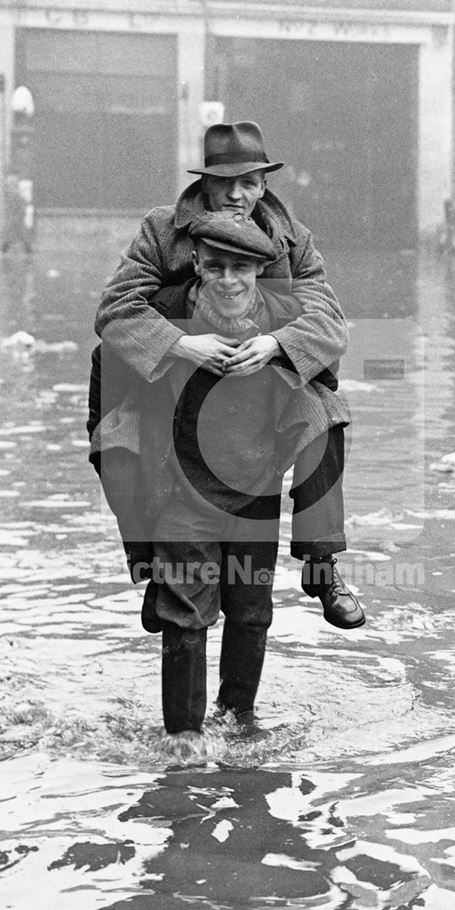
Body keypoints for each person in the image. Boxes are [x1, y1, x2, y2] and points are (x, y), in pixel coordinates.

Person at [93, 120, 364, 630]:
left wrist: (276, 343)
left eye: (249, 183)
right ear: (204, 184)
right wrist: (181, 343)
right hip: (173, 385)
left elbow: (330, 321)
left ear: (264, 185)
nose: (236, 194)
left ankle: (322, 563)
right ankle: (153, 567)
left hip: (262, 384)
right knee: (117, 449)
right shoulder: (161, 230)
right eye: (224, 183)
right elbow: (114, 310)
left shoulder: (292, 239)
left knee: (326, 417)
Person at [90, 212, 351, 737]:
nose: (228, 281)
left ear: (260, 268)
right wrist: (180, 346)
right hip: (180, 490)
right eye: (215, 267)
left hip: (255, 488)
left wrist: (276, 349)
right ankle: (183, 745)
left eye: (240, 267)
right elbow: (107, 364)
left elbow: (333, 372)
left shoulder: (289, 315)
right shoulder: (163, 313)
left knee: (251, 612)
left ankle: (239, 725)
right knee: (187, 618)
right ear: (195, 264)